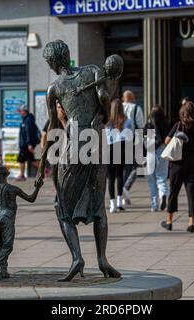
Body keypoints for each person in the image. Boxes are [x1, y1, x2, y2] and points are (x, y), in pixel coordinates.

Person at [38, 39, 121, 281]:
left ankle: (77, 258)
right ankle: (102, 259)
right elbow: (105, 99)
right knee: (99, 206)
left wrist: (43, 160)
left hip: (73, 144)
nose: (50, 66)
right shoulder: (93, 71)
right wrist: (103, 100)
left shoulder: (54, 88)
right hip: (94, 141)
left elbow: (53, 127)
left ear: (54, 61)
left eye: (49, 62)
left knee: (62, 208)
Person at [162, 101, 194, 233]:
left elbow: (167, 141)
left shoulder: (179, 125)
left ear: (183, 113)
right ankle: (191, 223)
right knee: (192, 193)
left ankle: (169, 221)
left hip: (177, 164)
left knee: (174, 192)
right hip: (193, 163)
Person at [105, 99, 133, 213]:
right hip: (122, 147)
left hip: (111, 148)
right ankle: (120, 201)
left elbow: (106, 138)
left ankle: (112, 205)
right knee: (120, 175)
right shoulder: (128, 121)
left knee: (111, 178)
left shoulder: (107, 123)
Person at [144, 106, 170, 212]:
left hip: (150, 152)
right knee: (161, 177)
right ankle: (163, 194)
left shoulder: (149, 125)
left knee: (151, 179)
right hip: (163, 151)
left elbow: (145, 140)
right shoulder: (166, 124)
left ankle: (154, 205)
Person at [121, 90, 144, 205]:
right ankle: (125, 188)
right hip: (133, 141)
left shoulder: (117, 108)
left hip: (118, 142)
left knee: (122, 169)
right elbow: (141, 127)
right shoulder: (136, 108)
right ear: (133, 98)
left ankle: (121, 194)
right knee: (134, 168)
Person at [16, 104, 41, 181]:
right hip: (25, 144)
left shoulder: (28, 120)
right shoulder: (25, 119)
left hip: (26, 144)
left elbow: (29, 132)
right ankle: (43, 170)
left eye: (20, 111)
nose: (19, 112)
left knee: (22, 159)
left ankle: (22, 175)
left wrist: (29, 144)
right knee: (31, 160)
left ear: (24, 111)